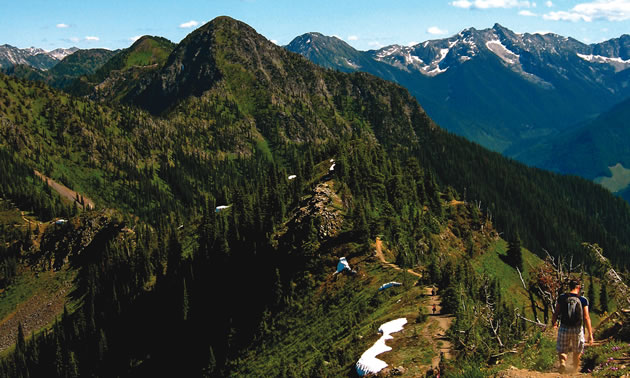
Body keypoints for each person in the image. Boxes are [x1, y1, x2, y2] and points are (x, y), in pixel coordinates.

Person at [551, 278, 594, 373]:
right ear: (578, 287)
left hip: (564, 327)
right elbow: (586, 317)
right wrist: (590, 334)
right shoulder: (582, 300)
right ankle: (574, 370)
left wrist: (554, 322)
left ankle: (562, 362)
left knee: (562, 349)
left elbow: (556, 312)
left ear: (569, 286)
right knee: (577, 351)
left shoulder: (562, 297)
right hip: (577, 329)